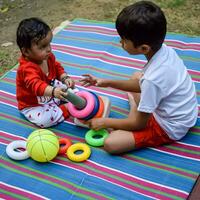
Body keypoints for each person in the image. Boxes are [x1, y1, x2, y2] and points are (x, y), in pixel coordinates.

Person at [80, 1, 198, 154]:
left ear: (144, 48)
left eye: (123, 40)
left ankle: (135, 111)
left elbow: (138, 124)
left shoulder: (152, 79)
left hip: (170, 127)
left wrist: (104, 122)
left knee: (111, 143)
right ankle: (137, 110)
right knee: (137, 76)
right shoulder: (165, 51)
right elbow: (143, 84)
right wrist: (106, 82)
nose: (120, 42)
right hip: (184, 112)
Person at [16, 17, 75, 128]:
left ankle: (71, 96)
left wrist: (64, 77)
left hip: (51, 90)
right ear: (26, 51)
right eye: (43, 46)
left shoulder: (47, 56)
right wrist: (53, 92)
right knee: (45, 120)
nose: (49, 49)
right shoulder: (26, 69)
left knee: (67, 88)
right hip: (34, 103)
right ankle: (66, 108)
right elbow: (36, 86)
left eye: (49, 44)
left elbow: (57, 67)